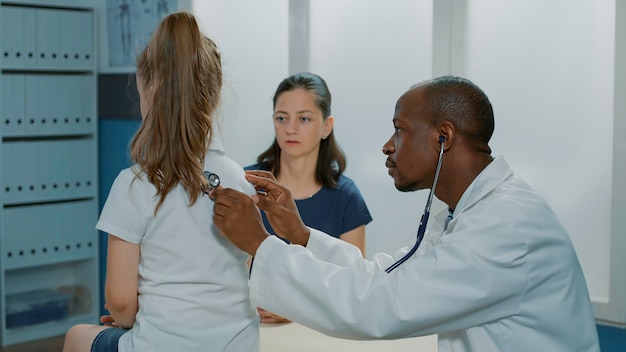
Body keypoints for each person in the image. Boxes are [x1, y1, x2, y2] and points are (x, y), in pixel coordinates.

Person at [210, 76, 601, 351]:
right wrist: (302, 235)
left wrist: (262, 245)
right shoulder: (464, 211)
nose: (386, 146)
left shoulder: (504, 227)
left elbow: (381, 308)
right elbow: (386, 276)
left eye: (398, 130)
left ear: (443, 138)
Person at [62, 12, 259, 352]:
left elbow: (121, 304)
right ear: (214, 97)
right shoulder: (240, 180)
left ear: (147, 89)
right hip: (238, 345)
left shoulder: (133, 185)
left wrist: (134, 314)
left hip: (160, 345)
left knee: (76, 336)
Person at [246, 72, 372, 324]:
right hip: (248, 327)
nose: (290, 129)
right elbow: (226, 270)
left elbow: (353, 287)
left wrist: (293, 309)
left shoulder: (346, 197)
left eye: (304, 118)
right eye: (282, 118)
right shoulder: (248, 184)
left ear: (327, 126)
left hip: (318, 336)